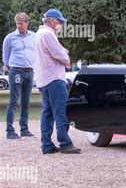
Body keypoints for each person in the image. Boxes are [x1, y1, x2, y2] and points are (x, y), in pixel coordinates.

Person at [34, 9, 81, 154]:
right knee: (62, 112)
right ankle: (65, 143)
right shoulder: (48, 34)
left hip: (44, 80)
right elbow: (59, 54)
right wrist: (67, 59)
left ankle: (46, 145)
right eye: (60, 21)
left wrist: (63, 52)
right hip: (54, 78)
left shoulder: (38, 34)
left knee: (47, 113)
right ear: (52, 20)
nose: (61, 24)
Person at [2, 13, 35, 139]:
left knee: (26, 101)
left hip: (30, 71)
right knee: (13, 100)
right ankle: (10, 131)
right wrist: (8, 68)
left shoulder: (34, 36)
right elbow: (5, 55)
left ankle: (24, 129)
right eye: (17, 24)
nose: (19, 26)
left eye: (21, 23)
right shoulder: (10, 38)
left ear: (27, 23)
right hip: (16, 71)